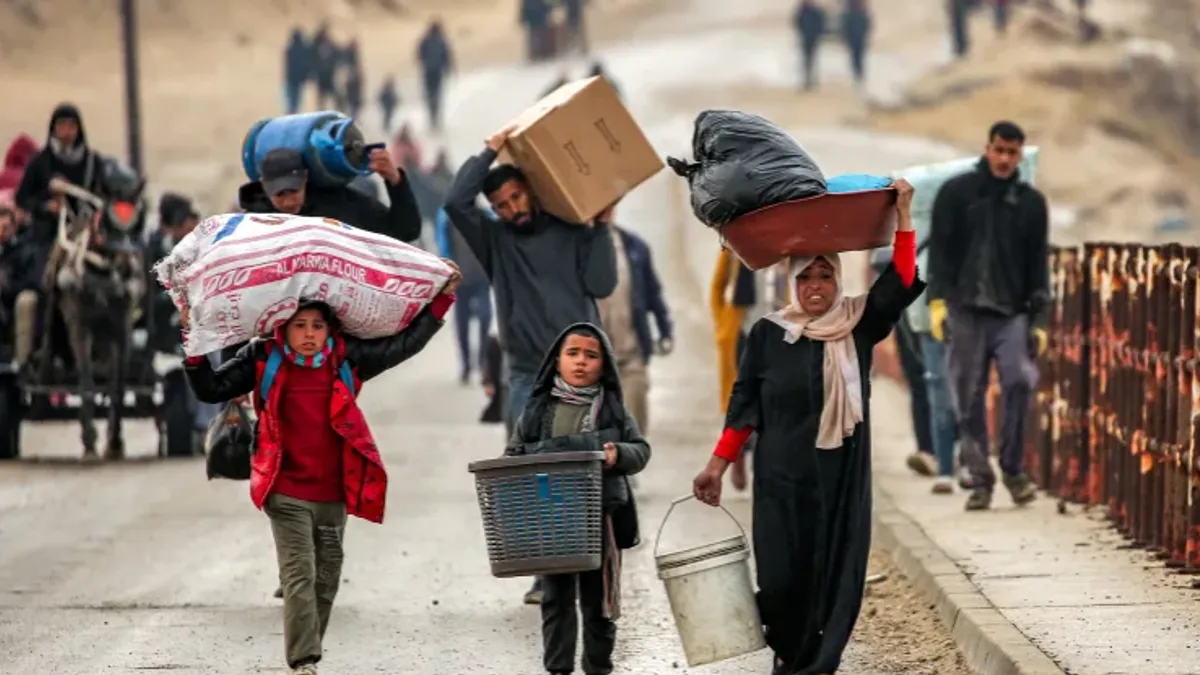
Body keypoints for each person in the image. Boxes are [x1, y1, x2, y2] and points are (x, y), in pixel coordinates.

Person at [692, 179, 922, 675]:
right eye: (806, 278)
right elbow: (745, 402)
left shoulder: (858, 324)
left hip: (840, 480)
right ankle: (788, 653)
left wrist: (904, 213)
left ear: (837, 281)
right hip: (780, 480)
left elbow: (901, 281)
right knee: (780, 578)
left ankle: (816, 664)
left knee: (833, 573)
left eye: (825, 276)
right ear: (792, 283)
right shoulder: (770, 334)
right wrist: (718, 464)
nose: (816, 286)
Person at [182, 270, 459, 675]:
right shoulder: (262, 358)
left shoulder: (346, 358)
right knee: (300, 574)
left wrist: (441, 302)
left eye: (317, 326)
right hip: (285, 491)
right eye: (300, 326)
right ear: (283, 327)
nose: (309, 334)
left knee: (326, 579)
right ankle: (304, 661)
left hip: (333, 493)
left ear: (330, 329)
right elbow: (210, 388)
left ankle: (308, 648)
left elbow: (403, 345)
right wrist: (193, 348)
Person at [444, 124, 618, 605]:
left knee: (584, 467)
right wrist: (489, 150)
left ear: (532, 193)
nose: (510, 210)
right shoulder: (496, 241)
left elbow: (601, 285)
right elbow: (456, 202)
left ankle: (586, 565)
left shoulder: (575, 230)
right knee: (531, 470)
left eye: (516, 198)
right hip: (525, 374)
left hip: (580, 372)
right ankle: (544, 572)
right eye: (500, 205)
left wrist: (602, 227)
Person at [506, 322, 650, 675]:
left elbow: (641, 450)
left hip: (601, 520)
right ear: (557, 362)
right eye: (572, 354)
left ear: (604, 365)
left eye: (590, 355)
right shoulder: (538, 411)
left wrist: (619, 454)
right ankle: (558, 669)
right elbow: (513, 455)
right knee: (555, 600)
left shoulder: (613, 411)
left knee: (598, 602)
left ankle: (598, 667)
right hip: (553, 523)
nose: (580, 362)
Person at [928, 120, 1048, 511]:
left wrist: (1039, 320)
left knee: (1019, 380)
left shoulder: (1030, 203)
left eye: (1012, 153)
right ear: (987, 148)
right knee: (967, 396)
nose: (1004, 159)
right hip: (963, 310)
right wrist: (937, 302)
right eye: (999, 150)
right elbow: (940, 253)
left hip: (1010, 313)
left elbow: (1037, 265)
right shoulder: (957, 193)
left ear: (1019, 155)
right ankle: (981, 479)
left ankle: (1013, 469)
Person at [237, 147, 421, 243]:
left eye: (294, 190)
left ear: (305, 178)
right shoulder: (250, 225)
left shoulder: (342, 205)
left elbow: (405, 232)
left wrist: (395, 181)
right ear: (263, 185)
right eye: (279, 194)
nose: (288, 201)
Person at [595, 220, 673, 435]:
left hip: (631, 354)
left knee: (633, 429)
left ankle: (629, 467)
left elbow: (653, 293)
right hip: (593, 362)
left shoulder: (634, 247)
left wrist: (665, 329)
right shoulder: (577, 249)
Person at [710, 245, 758, 491]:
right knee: (739, 397)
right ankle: (737, 456)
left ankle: (758, 459)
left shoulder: (789, 247)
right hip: (742, 330)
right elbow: (718, 286)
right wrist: (722, 324)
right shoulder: (736, 246)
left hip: (778, 326)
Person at [436, 203, 492, 383]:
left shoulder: (485, 215)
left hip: (482, 278)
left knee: (485, 318)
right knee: (463, 324)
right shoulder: (447, 217)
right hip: (460, 279)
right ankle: (466, 365)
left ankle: (483, 362)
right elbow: (443, 244)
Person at [417, 20, 455, 132]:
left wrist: (448, 68)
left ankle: (434, 119)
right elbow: (447, 56)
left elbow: (447, 56)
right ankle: (433, 118)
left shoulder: (433, 40)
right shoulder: (437, 41)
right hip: (432, 71)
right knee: (433, 96)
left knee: (434, 96)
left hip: (433, 71)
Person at [794, 0, 827, 91]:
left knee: (811, 59)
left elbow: (821, 24)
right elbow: (797, 23)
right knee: (807, 60)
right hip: (806, 38)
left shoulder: (814, 11)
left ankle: (811, 80)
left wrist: (819, 34)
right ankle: (807, 80)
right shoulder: (802, 10)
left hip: (812, 38)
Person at [841, 0, 871, 86]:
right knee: (856, 56)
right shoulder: (851, 14)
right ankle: (857, 74)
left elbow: (867, 25)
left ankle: (858, 74)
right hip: (855, 37)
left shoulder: (860, 13)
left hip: (859, 37)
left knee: (858, 56)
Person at [283, 28, 311, 115]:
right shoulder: (302, 49)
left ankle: (291, 114)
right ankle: (292, 115)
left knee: (291, 102)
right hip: (297, 80)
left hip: (291, 79)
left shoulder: (290, 49)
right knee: (296, 102)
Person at [311, 23, 339, 110]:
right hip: (324, 74)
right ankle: (324, 111)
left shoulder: (326, 43)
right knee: (325, 96)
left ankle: (323, 110)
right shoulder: (320, 43)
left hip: (326, 74)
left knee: (325, 96)